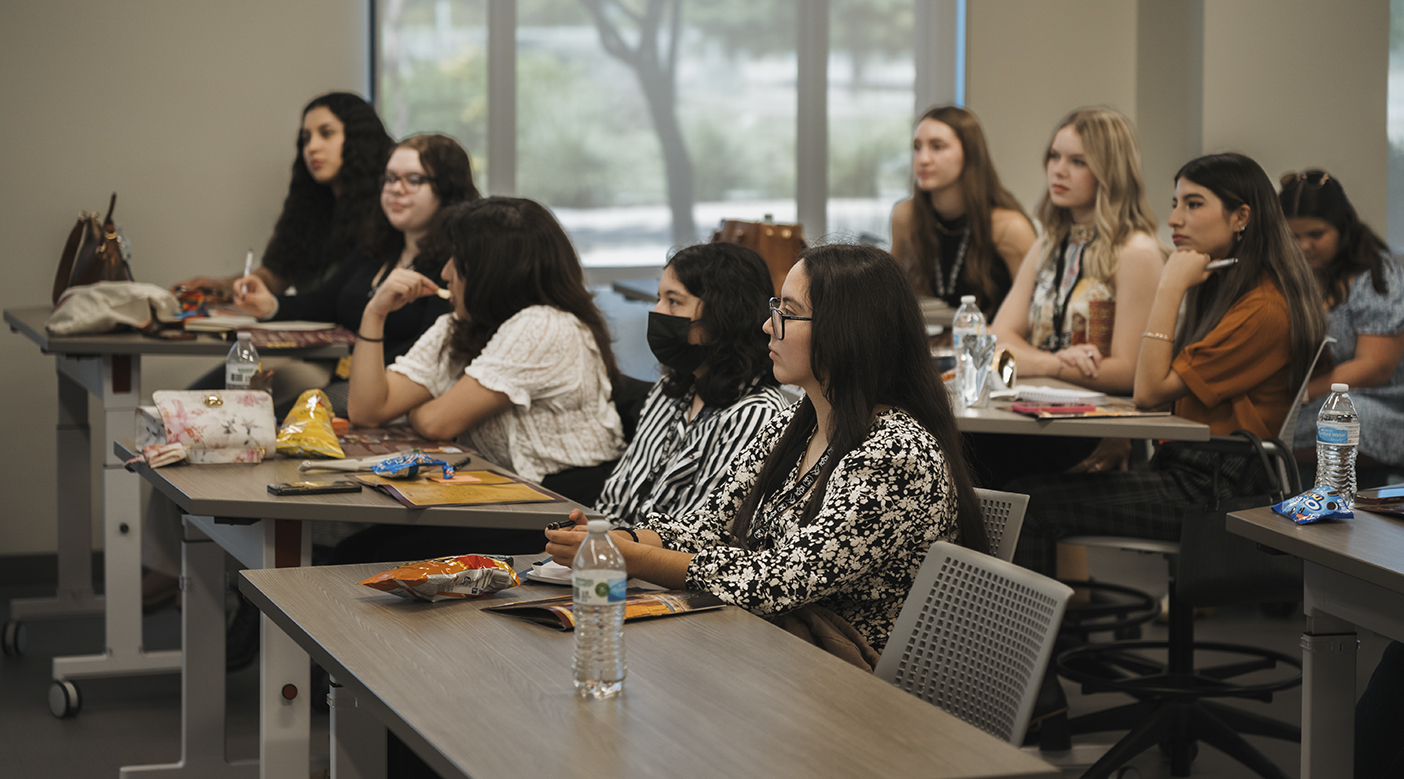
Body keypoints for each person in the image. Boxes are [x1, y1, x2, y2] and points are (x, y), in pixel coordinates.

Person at [546, 243, 988, 656]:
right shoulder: (793, 426)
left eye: (787, 313)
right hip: (774, 652)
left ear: (846, 332)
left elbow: (774, 582)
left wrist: (633, 558)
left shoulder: (895, 455)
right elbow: (710, 528)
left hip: (851, 685)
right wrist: (614, 539)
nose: (766, 326)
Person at [1009, 153, 1326, 577]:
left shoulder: (1264, 307)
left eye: (1193, 204)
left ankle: (1036, 644)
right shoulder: (1226, 287)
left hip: (1217, 490)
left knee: (1028, 503)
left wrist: (1168, 286)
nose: (1175, 219)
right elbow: (1171, 395)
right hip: (1190, 467)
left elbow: (1150, 389)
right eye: (1175, 203)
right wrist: (1120, 434)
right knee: (1023, 483)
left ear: (1241, 217)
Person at [329, 196, 626, 563]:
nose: (446, 273)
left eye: (458, 262)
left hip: (564, 506)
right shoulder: (461, 324)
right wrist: (374, 313)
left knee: (363, 558)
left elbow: (438, 422)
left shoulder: (545, 323)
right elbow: (368, 410)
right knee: (353, 552)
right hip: (505, 494)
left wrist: (422, 411)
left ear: (493, 270)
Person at [973, 107, 1166, 489]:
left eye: (1078, 161)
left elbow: (1129, 371)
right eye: (1054, 156)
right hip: (1034, 412)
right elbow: (997, 340)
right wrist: (1055, 361)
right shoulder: (1049, 242)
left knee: (972, 456)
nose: (1058, 171)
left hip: (1097, 424)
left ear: (1110, 172)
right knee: (960, 449)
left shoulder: (1136, 251)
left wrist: (1033, 363)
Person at [228, 133, 478, 414]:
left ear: (447, 189)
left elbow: (429, 349)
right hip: (348, 381)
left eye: (414, 179)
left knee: (272, 418)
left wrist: (363, 368)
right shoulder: (377, 249)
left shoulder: (454, 267)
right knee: (239, 405)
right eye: (390, 178)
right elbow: (323, 302)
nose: (397, 189)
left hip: (398, 393)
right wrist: (270, 304)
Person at [594, 242, 791, 528]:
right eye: (658, 298)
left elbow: (696, 531)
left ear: (723, 314)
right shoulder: (671, 389)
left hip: (656, 565)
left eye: (673, 301)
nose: (658, 312)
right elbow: (616, 497)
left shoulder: (755, 413)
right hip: (614, 550)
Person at [173, 92, 393, 296]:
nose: (312, 147)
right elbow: (275, 277)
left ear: (359, 139)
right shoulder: (311, 209)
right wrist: (222, 287)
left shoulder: (387, 209)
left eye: (326, 134)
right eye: (306, 138)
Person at [1279, 170, 1404, 478]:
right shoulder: (1290, 276)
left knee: (1345, 418)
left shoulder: (1376, 274)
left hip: (1375, 405)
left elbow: (1374, 366)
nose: (1304, 246)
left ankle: (1271, 458)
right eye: (1293, 237)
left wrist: (1301, 394)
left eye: (1316, 234)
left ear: (1343, 228)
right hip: (1306, 403)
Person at [890, 105, 1037, 317]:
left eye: (937, 147)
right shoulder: (906, 216)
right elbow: (891, 297)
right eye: (917, 147)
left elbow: (1033, 316)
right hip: (929, 345)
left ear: (969, 153)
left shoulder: (1009, 227)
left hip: (991, 347)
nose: (923, 159)